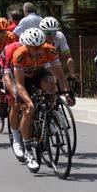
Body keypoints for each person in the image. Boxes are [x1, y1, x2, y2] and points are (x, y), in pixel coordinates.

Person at [12, 28, 72, 171]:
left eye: (41, 46)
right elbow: (19, 85)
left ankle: (49, 115)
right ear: (27, 46)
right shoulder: (19, 55)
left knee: (51, 83)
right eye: (35, 48)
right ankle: (28, 150)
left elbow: (60, 75)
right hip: (24, 79)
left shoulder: (49, 50)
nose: (39, 50)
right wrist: (28, 102)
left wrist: (67, 93)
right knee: (28, 110)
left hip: (38, 73)